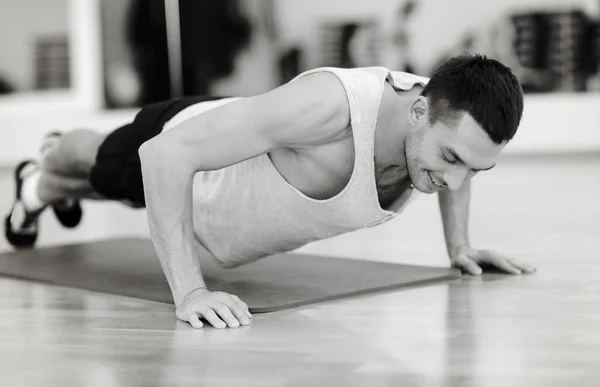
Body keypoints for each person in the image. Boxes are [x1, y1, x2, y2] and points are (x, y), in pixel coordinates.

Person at [4, 53, 537, 329]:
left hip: (219, 212)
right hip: (181, 150)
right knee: (100, 166)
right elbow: (164, 157)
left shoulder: (438, 124)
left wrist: (460, 246)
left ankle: (46, 186)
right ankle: (47, 167)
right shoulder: (331, 108)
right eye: (450, 159)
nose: (455, 180)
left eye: (475, 170)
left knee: (116, 192)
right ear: (418, 110)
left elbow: (456, 164)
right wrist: (190, 293)